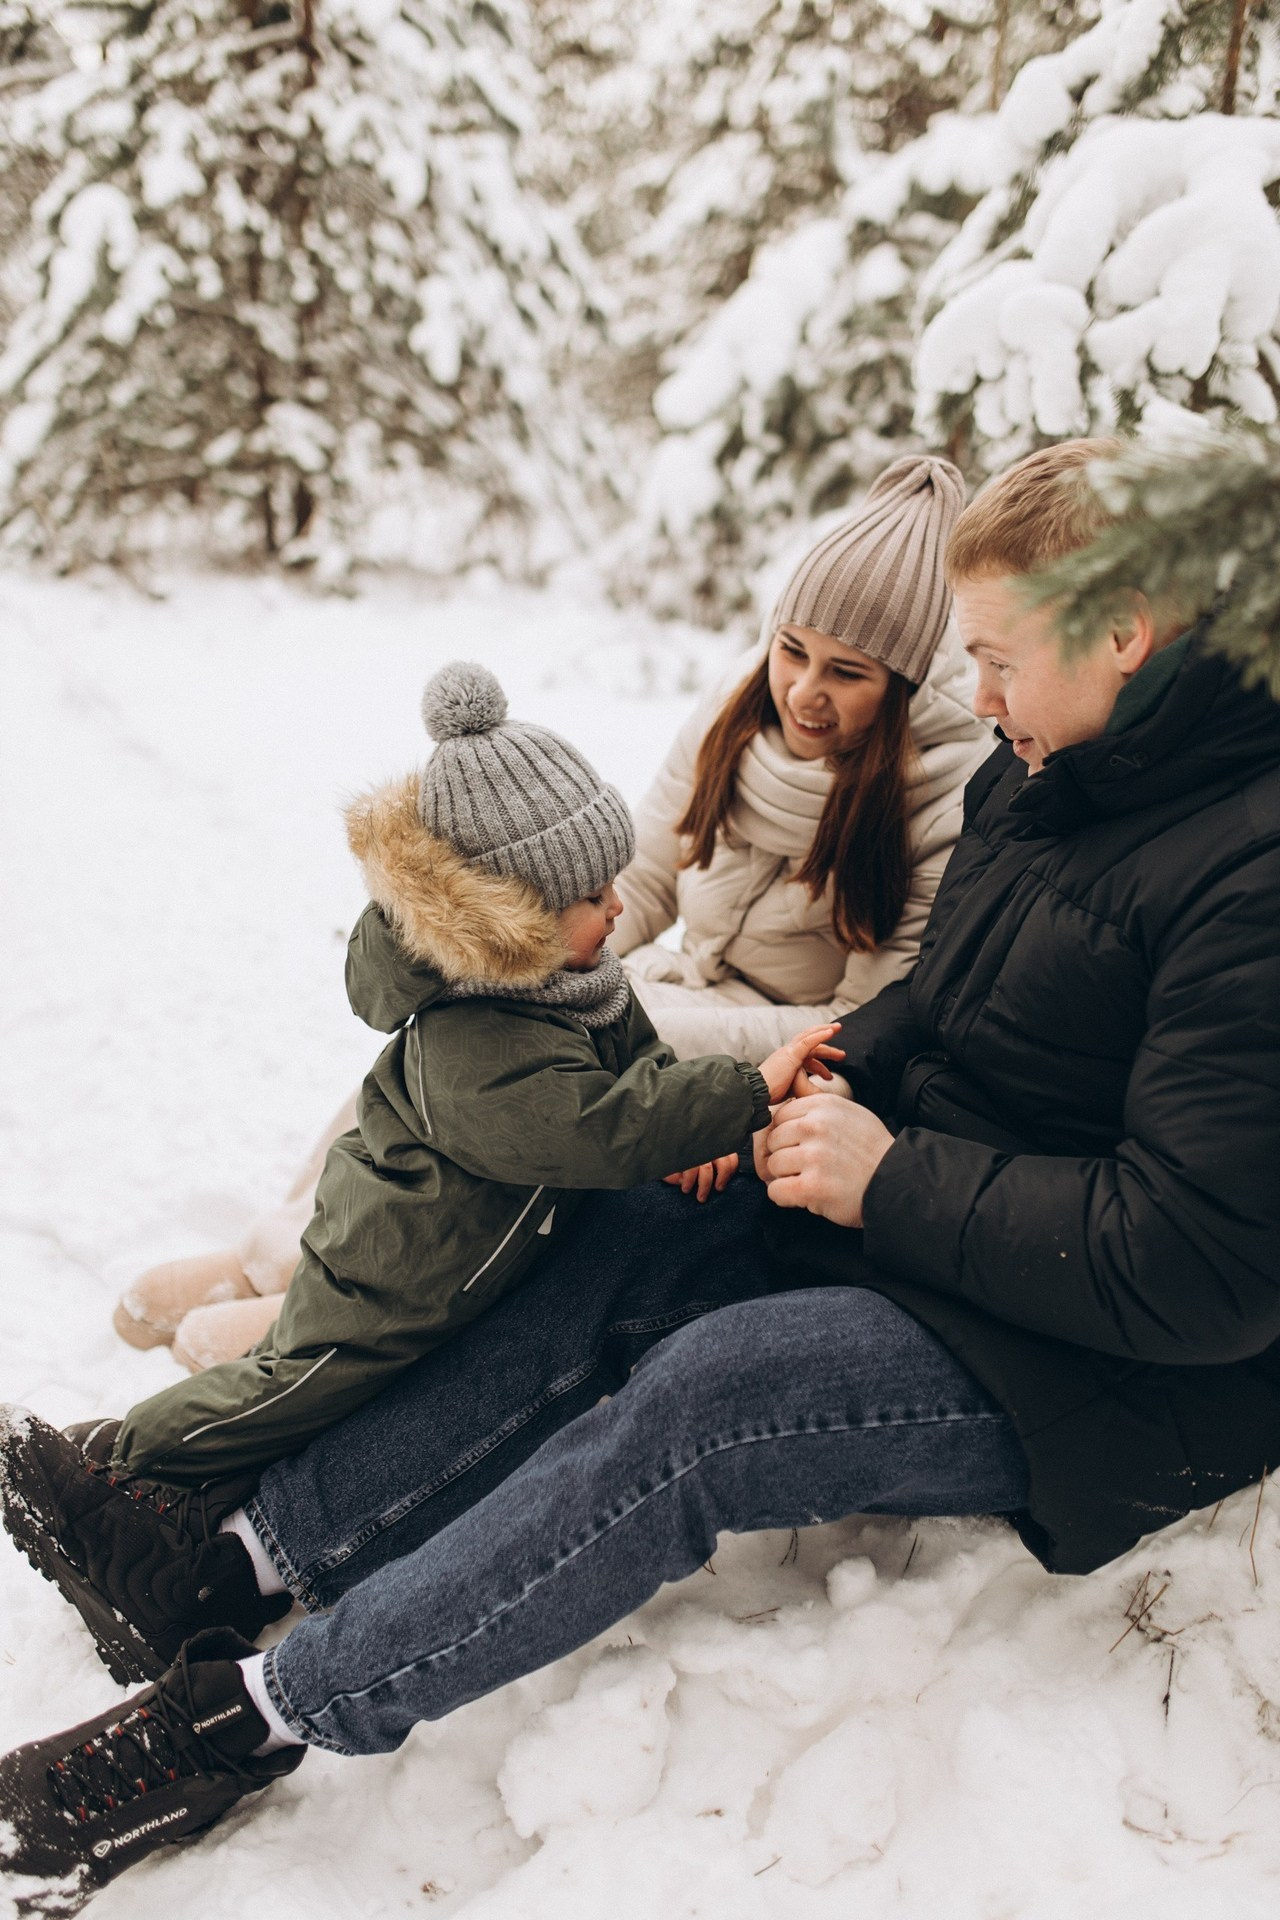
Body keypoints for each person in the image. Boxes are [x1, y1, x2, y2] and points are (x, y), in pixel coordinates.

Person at [9, 433, 1277, 1915]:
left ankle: (251, 1716)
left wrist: (890, 1182)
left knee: (707, 1404)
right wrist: (807, 1076)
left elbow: (1205, 1271)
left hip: (1101, 1356)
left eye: (994, 659)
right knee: (608, 1220)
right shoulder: (1049, 766)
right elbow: (946, 998)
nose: (975, 698)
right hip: (930, 1188)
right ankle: (228, 1561)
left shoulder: (1248, 875)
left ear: (1123, 633)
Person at [112, 455, 990, 1372]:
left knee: (531, 1073)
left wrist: (634, 1020)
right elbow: (642, 873)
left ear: (907, 680)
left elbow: (856, 1022)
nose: (804, 689)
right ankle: (282, 1252)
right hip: (662, 981)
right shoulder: (742, 706)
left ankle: (329, 1307)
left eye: (847, 672)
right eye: (792, 650)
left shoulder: (941, 795)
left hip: (771, 1042)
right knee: (457, 1027)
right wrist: (538, 959)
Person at [90, 660, 842, 1492]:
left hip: (453, 1256)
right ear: (517, 921)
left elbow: (634, 1060)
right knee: (293, 1387)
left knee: (325, 1402)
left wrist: (682, 1117)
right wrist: (740, 1094)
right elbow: (591, 1125)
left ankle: (187, 1480)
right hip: (395, 1266)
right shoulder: (484, 1038)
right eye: (594, 895)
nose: (619, 908)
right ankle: (110, 1465)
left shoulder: (576, 981)